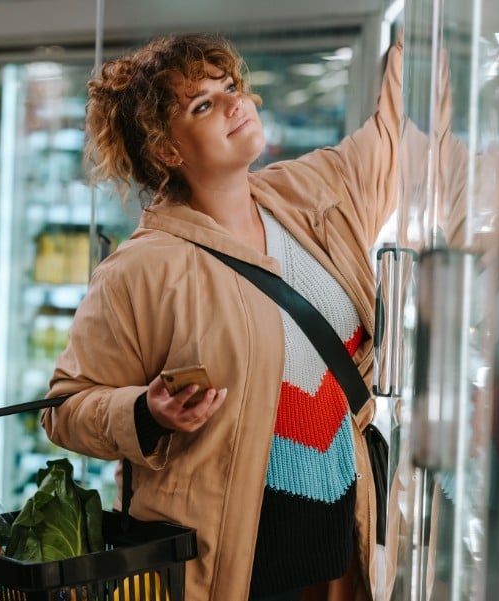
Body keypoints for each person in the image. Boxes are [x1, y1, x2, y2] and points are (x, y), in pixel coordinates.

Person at [41, 31, 404, 601]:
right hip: (226, 571)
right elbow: (65, 407)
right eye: (203, 105)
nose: (236, 103)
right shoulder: (140, 269)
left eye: (230, 86)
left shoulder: (306, 195)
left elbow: (394, 133)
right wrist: (146, 411)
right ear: (168, 150)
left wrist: (424, 37)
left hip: (341, 555)